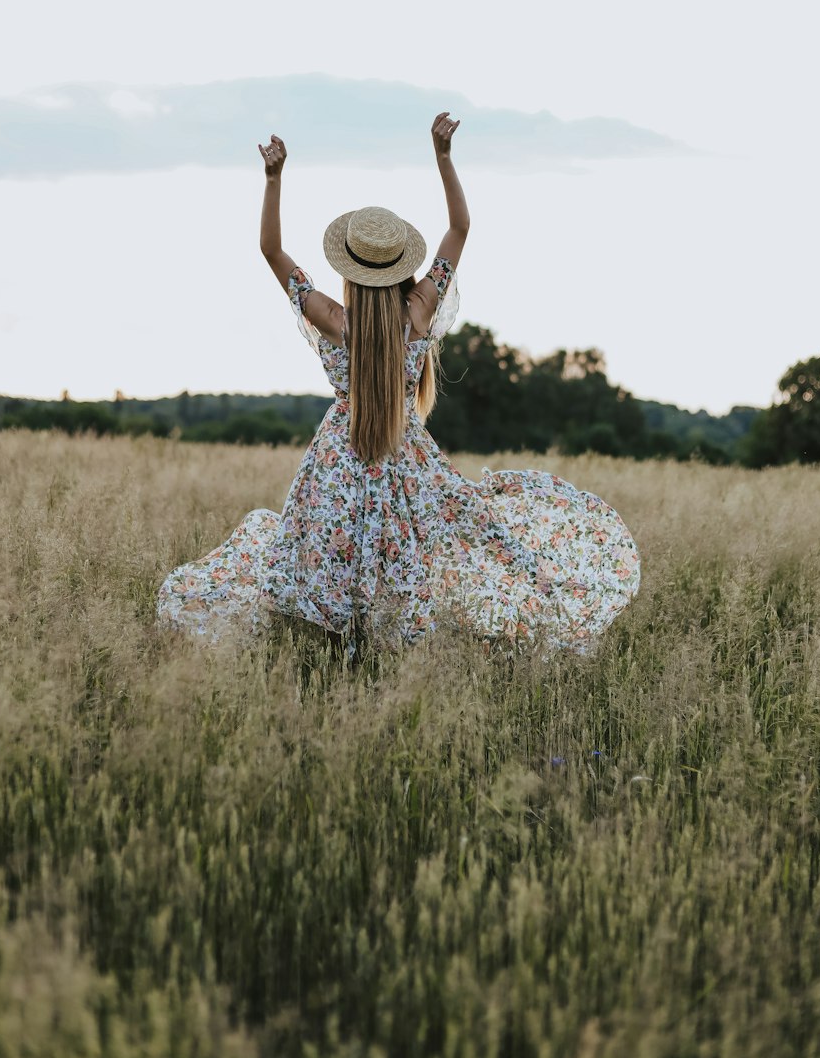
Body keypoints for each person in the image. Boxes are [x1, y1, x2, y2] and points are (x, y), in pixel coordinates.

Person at [157, 114, 640, 656]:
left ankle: (334, 644)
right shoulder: (418, 316)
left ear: (351, 267)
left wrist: (273, 180)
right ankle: (390, 644)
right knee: (419, 548)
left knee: (330, 548)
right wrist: (443, 157)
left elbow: (272, 250)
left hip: (339, 458)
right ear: (399, 268)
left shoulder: (338, 324)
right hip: (404, 454)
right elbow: (459, 229)